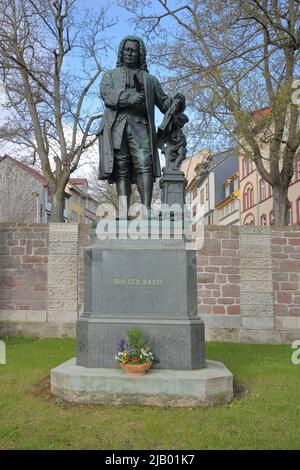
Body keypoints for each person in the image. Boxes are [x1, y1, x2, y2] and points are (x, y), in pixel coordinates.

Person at [98, 35, 184, 217]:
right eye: (127, 50)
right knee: (122, 167)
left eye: (134, 51)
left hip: (141, 128)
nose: (130, 53)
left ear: (140, 54)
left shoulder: (150, 79)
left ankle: (145, 208)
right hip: (117, 128)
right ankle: (123, 210)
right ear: (122, 52)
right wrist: (129, 98)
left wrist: (177, 102)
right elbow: (107, 95)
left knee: (144, 164)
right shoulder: (110, 76)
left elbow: (164, 103)